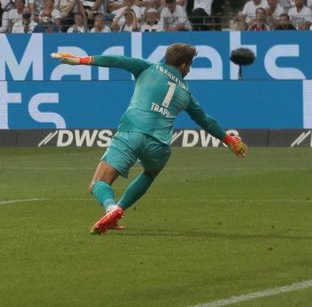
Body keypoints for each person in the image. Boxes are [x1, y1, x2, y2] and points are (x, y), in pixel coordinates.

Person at [51, 44, 248, 234]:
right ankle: (117, 213)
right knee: (150, 173)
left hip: (132, 132)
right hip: (159, 146)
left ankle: (111, 209)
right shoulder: (186, 93)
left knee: (98, 183)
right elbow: (205, 120)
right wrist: (228, 140)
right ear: (182, 66)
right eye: (189, 66)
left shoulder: (148, 67)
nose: (189, 70)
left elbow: (118, 60)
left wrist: (80, 60)